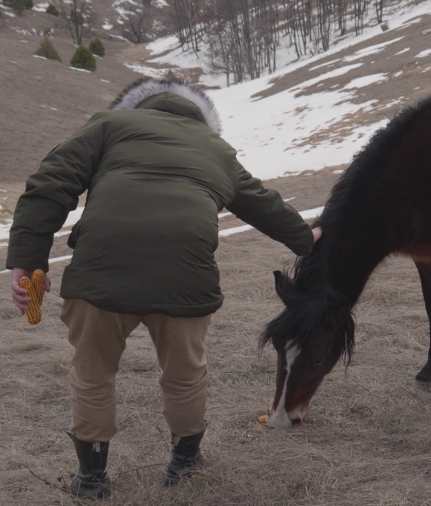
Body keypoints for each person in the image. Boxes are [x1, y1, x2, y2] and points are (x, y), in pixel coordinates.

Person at [7, 77, 320, 499]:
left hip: (101, 271)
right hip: (185, 275)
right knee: (185, 374)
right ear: (202, 119)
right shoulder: (216, 148)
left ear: (137, 107)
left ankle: (92, 479)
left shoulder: (108, 126)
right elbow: (263, 204)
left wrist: (28, 261)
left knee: (93, 373)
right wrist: (305, 239)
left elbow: (49, 185)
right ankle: (185, 464)